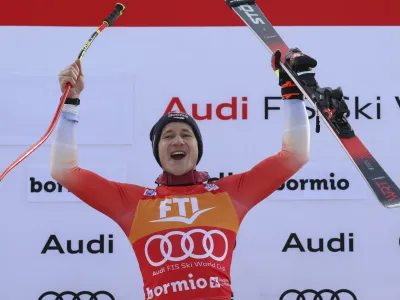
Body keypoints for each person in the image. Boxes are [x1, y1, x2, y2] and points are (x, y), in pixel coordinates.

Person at [51, 48, 315, 300]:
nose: (178, 141)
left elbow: (295, 155)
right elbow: (64, 170)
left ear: (198, 148)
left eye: (186, 134)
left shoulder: (229, 194)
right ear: (157, 150)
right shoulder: (134, 202)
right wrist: (70, 103)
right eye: (168, 136)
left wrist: (292, 94)